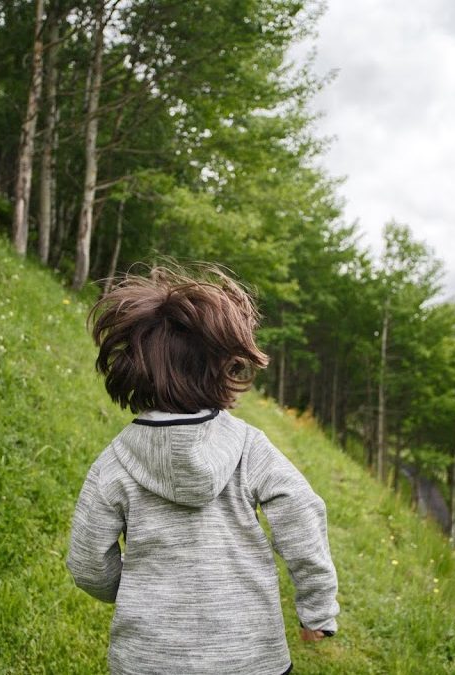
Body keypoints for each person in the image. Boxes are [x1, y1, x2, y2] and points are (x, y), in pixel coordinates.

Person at [66, 266, 339, 675]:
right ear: (223, 368)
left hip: (148, 660)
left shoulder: (115, 461)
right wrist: (317, 607)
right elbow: (300, 509)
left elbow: (87, 563)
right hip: (250, 658)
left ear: (135, 367)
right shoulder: (248, 446)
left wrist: (133, 592)